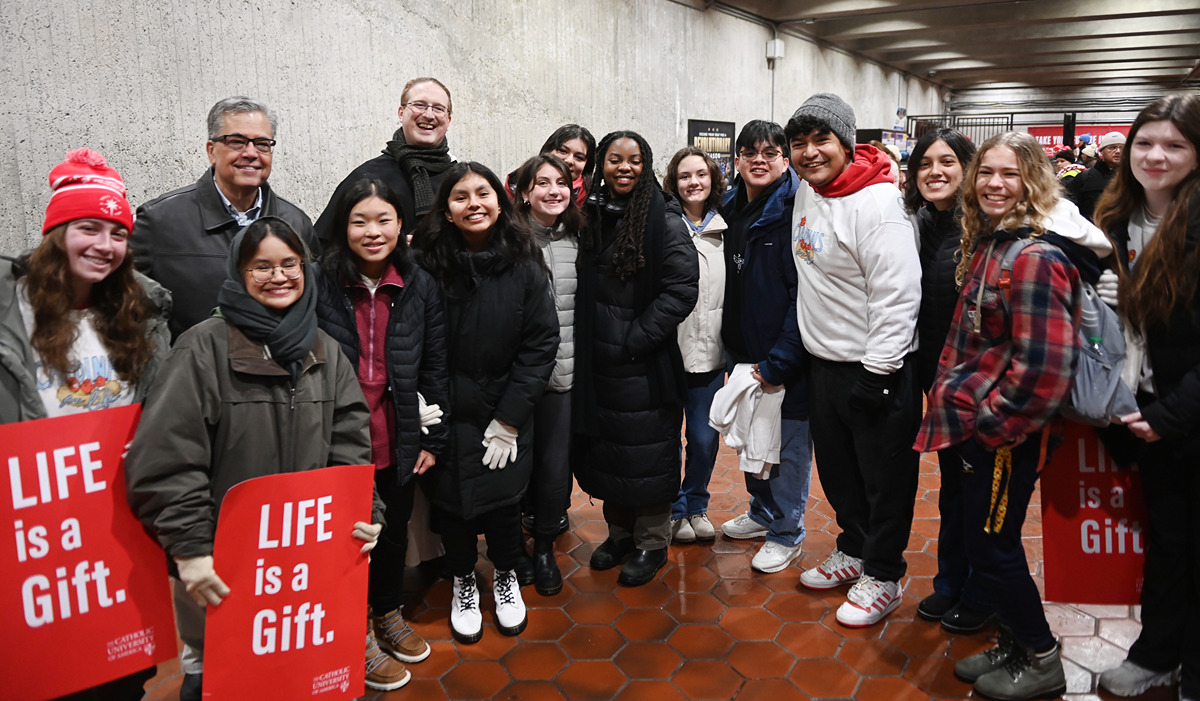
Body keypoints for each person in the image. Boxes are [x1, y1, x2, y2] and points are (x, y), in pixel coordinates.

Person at [125, 218, 392, 697]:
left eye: (290, 264)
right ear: (238, 274)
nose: (279, 276)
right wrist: (190, 548)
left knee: (295, 668)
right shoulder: (202, 349)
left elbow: (351, 447)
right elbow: (165, 458)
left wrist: (363, 512)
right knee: (216, 675)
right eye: (261, 266)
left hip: (302, 559)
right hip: (221, 561)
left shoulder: (325, 352)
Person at [915, 131, 1112, 701]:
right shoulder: (998, 241)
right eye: (987, 174)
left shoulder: (1034, 256)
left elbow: (1046, 367)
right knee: (986, 543)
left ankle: (1042, 655)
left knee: (993, 548)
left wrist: (994, 427)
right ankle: (1015, 644)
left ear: (1034, 182)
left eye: (1010, 175)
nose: (995, 185)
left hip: (1003, 436)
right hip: (981, 426)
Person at [1, 149, 170, 700]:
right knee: (49, 668)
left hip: (119, 512)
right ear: (55, 233)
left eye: (117, 233)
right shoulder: (13, 309)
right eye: (88, 228)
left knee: (124, 666)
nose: (104, 245)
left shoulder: (139, 311)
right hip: (39, 518)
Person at [785, 93, 921, 627]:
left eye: (822, 141)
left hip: (875, 370)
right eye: (800, 144)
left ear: (847, 143)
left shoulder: (879, 204)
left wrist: (877, 372)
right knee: (839, 474)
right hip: (825, 365)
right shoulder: (809, 191)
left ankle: (884, 574)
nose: (810, 153)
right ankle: (855, 548)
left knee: (883, 479)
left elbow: (897, 295)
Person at [411, 162, 558, 643]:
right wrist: (413, 397)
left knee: (503, 504)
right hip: (443, 409)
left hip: (504, 409)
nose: (473, 203)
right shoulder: (426, 264)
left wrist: (511, 420)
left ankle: (508, 577)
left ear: (500, 201)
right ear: (447, 211)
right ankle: (463, 581)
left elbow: (540, 345)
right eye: (460, 196)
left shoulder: (525, 263)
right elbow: (407, 335)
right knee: (451, 508)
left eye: (483, 193)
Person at [314, 178, 449, 681]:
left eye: (384, 220)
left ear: (402, 226)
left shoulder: (420, 284)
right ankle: (352, 631)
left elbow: (435, 366)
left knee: (390, 535)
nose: (373, 231)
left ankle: (387, 612)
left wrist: (433, 438)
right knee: (344, 542)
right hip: (335, 440)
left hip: (397, 435)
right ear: (342, 226)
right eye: (359, 220)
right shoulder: (320, 279)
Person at [1093, 94, 1200, 701]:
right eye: (1145, 142)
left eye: (1176, 144)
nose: (1156, 155)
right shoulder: (1115, 220)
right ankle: (1159, 653)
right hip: (1147, 413)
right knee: (1169, 544)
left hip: (1183, 414)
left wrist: (1171, 416)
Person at [573, 130, 698, 587]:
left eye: (634, 160)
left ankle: (651, 542)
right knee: (609, 453)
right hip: (596, 364)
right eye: (613, 159)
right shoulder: (589, 213)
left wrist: (636, 337)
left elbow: (682, 288)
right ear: (601, 166)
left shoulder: (663, 218)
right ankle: (619, 534)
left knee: (647, 454)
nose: (623, 167)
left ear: (646, 165)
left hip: (642, 364)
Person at [903, 128, 993, 634]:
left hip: (977, 384)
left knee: (978, 492)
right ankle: (951, 584)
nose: (935, 172)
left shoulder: (985, 228)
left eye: (947, 162)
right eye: (924, 164)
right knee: (954, 489)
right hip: (936, 379)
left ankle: (982, 592)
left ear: (967, 169)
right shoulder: (918, 223)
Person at [135, 96, 319, 340]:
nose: (251, 153)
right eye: (237, 142)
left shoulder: (295, 223)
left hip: (277, 370)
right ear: (211, 151)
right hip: (193, 370)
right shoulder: (160, 221)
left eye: (262, 144)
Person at [715, 121, 813, 575]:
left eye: (771, 152)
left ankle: (787, 532)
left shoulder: (797, 211)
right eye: (750, 151)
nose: (760, 159)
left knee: (786, 450)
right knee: (754, 443)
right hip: (744, 353)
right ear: (737, 159)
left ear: (785, 159)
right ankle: (761, 514)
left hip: (784, 359)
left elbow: (804, 295)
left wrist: (782, 360)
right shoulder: (732, 205)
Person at [509, 154, 583, 595]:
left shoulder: (580, 237)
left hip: (565, 375)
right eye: (542, 183)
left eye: (561, 182)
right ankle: (515, 547)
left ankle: (544, 549)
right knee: (517, 464)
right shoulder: (508, 241)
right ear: (524, 192)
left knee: (555, 469)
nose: (553, 190)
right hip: (517, 376)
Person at [661, 145, 727, 545]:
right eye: (685, 176)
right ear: (674, 182)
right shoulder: (665, 227)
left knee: (703, 439)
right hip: (669, 355)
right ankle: (670, 508)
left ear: (712, 179)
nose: (693, 182)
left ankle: (695, 503)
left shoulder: (727, 229)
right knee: (667, 439)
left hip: (712, 355)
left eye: (700, 174)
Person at [316, 77, 456, 245]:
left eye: (439, 108)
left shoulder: (460, 182)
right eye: (419, 105)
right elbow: (325, 247)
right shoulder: (366, 178)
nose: (428, 114)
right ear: (401, 113)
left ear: (448, 121)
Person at [506, 125, 597, 208]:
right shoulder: (515, 182)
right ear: (548, 150)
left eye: (579, 157)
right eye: (563, 151)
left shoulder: (592, 197)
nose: (569, 160)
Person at [1067, 130, 1125, 221]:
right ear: (1101, 151)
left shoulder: (1133, 178)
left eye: (1122, 148)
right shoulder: (1085, 178)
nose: (1117, 151)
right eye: (1112, 147)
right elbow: (1070, 208)